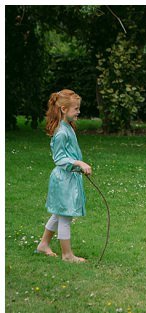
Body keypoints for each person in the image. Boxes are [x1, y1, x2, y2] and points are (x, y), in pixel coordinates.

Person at [36, 89, 92, 263]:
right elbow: (59, 158)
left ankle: (43, 244)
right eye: (75, 109)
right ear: (63, 109)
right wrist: (79, 163)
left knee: (59, 213)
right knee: (65, 215)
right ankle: (67, 255)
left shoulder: (68, 127)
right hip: (63, 179)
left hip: (68, 178)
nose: (78, 112)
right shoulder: (61, 132)